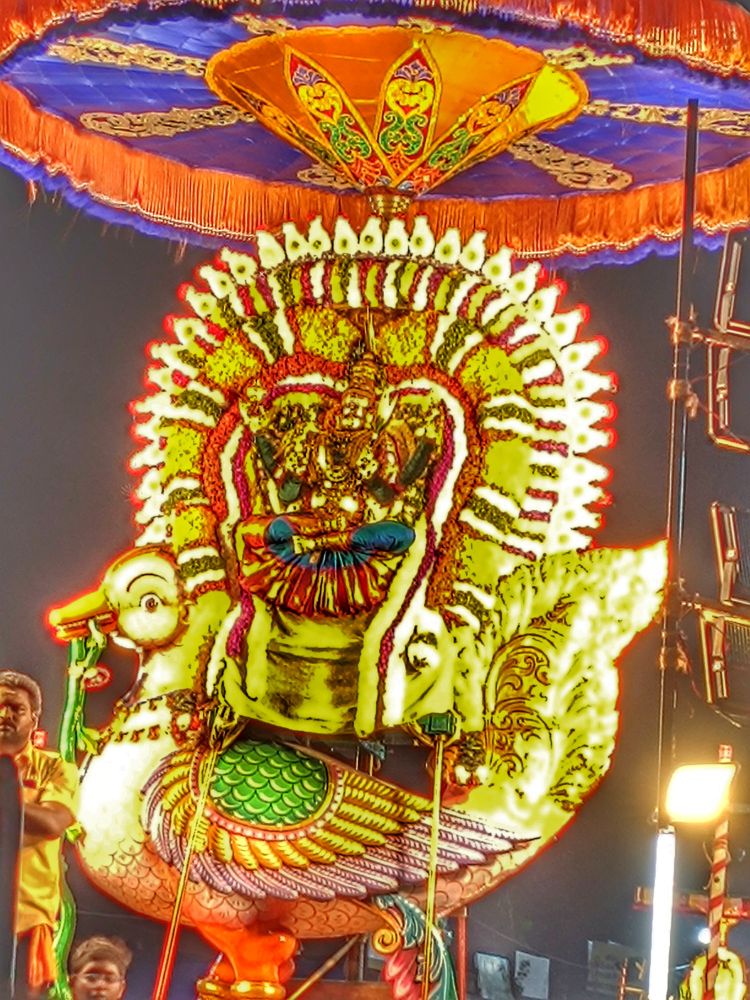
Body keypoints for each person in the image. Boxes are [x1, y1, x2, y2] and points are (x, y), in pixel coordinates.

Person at [0, 670, 79, 999]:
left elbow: (53, 822)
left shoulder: (56, 768)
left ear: (34, 718)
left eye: (16, 708)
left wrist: (6, 800)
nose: (5, 714)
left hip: (26, 922)